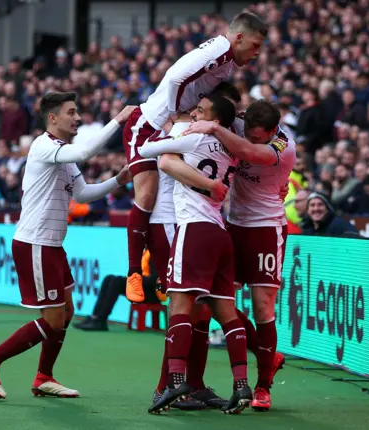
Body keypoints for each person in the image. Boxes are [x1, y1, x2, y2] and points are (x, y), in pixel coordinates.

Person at [0, 92, 134, 401]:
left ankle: (44, 376)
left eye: (77, 112)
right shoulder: (44, 146)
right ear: (52, 119)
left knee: (67, 311)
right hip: (35, 243)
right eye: (71, 112)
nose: (78, 118)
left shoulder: (63, 155)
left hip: (52, 245)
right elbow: (86, 151)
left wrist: (119, 179)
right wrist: (118, 119)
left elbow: (83, 196)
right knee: (53, 319)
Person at [123, 12, 267, 304]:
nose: (256, 53)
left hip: (171, 125)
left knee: (167, 198)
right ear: (239, 37)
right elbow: (176, 76)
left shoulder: (225, 60)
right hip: (149, 124)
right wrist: (176, 113)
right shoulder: (218, 51)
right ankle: (134, 272)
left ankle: (166, 274)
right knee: (148, 195)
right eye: (254, 45)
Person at [140, 94, 253, 414]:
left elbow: (149, 152)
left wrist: (176, 131)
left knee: (179, 304)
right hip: (220, 232)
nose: (194, 114)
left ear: (214, 121)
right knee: (227, 313)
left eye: (201, 111)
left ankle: (176, 382)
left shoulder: (192, 136)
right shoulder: (232, 149)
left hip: (194, 227)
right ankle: (242, 385)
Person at [185, 99, 296, 411]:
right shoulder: (240, 125)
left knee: (263, 308)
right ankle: (202, 380)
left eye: (258, 136)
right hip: (232, 225)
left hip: (266, 227)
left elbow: (249, 153)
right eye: (248, 133)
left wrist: (216, 127)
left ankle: (263, 386)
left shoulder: (284, 145)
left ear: (273, 131)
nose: (250, 139)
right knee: (214, 304)